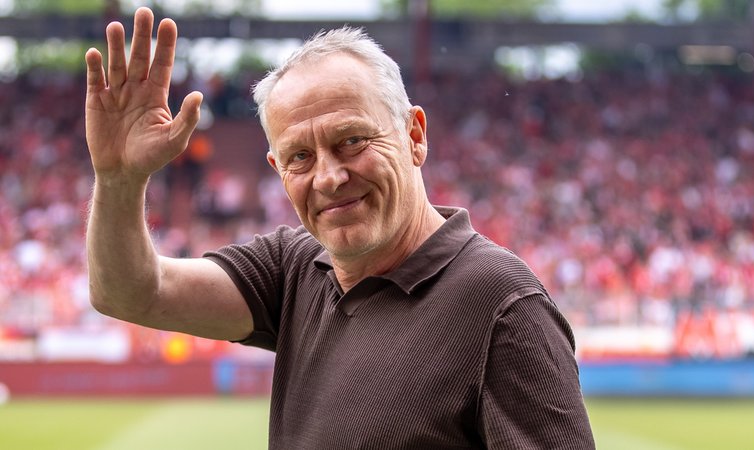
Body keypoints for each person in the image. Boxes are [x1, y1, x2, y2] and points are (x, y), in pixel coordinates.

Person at [84, 7, 595, 449]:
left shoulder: (502, 306)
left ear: (414, 135)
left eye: (351, 141)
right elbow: (130, 292)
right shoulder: (294, 268)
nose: (329, 177)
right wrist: (119, 179)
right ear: (276, 170)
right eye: (299, 157)